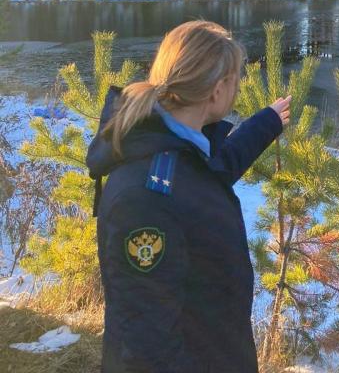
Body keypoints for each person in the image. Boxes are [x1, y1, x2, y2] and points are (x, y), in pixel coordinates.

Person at [86, 19, 291, 373]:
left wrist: (267, 122)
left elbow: (213, 170)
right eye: (236, 78)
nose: (239, 87)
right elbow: (146, 347)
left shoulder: (167, 144)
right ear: (216, 90)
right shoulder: (146, 199)